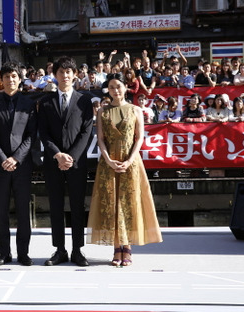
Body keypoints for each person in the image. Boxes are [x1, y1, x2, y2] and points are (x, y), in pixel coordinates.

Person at [86, 73, 162, 266]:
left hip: (131, 163)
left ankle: (127, 248)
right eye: (111, 87)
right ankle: (116, 248)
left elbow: (139, 139)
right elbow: (100, 139)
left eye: (118, 86)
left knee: (128, 203)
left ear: (125, 87)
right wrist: (109, 160)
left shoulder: (136, 110)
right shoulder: (102, 112)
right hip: (109, 163)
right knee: (112, 204)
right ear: (108, 90)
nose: (115, 90)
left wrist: (129, 161)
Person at [37, 56, 94, 267]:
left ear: (75, 74)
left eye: (69, 72)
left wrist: (71, 157)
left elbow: (87, 131)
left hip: (76, 163)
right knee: (56, 206)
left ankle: (77, 250)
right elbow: (43, 132)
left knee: (78, 205)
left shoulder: (84, 100)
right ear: (55, 75)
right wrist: (58, 155)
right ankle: (59, 249)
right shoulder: (45, 102)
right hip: (53, 162)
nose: (65, 75)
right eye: (61, 72)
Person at [0, 62, 37, 267]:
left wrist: (16, 158)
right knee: (1, 212)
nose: (10, 80)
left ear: (19, 79)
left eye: (14, 76)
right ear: (1, 80)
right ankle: (4, 253)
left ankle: (23, 253)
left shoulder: (29, 104)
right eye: (6, 77)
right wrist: (2, 158)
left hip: (22, 166)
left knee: (23, 211)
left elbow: (32, 135)